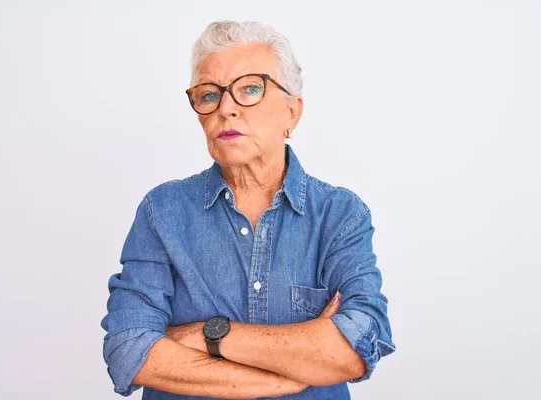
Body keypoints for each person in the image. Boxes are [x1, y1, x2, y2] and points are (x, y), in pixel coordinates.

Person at [100, 20, 396, 399]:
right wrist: (286, 378)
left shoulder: (340, 215)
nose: (226, 109)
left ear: (292, 112)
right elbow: (129, 351)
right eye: (209, 95)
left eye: (250, 89)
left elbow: (356, 346)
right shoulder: (163, 211)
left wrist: (205, 334)